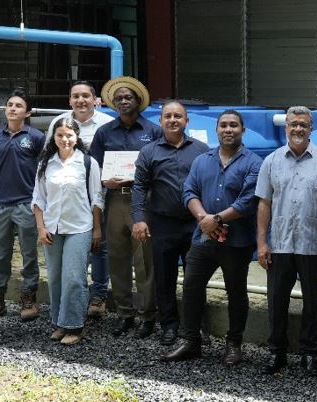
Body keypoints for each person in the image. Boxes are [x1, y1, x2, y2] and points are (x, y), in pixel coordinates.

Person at [161, 110, 263, 367]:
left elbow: (248, 200)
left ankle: (234, 344)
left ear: (242, 130)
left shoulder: (253, 162)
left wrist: (216, 220)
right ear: (217, 129)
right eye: (224, 125)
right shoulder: (201, 160)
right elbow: (189, 191)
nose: (228, 130)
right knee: (192, 287)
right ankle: (191, 340)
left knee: (236, 292)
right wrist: (204, 219)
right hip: (203, 237)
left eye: (234, 125)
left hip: (237, 241)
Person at [257, 106, 317, 376]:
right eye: (293, 124)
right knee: (276, 300)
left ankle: (309, 355)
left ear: (311, 128)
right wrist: (262, 242)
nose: (298, 129)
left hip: (314, 244)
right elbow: (264, 203)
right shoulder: (271, 161)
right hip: (280, 244)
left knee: (312, 302)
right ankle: (276, 352)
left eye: (303, 124)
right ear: (285, 127)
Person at [131, 101, 208, 346]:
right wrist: (139, 219)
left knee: (195, 278)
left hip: (194, 225)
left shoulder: (202, 150)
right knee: (164, 278)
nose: (172, 120)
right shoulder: (149, 152)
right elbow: (140, 187)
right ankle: (169, 326)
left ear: (187, 121)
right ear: (161, 121)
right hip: (162, 224)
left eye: (178, 116)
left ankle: (196, 327)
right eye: (167, 116)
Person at [88, 78, 160, 337]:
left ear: (138, 100)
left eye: (128, 97)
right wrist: (103, 181)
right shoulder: (105, 132)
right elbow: (93, 167)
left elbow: (160, 166)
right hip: (115, 199)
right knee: (117, 258)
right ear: (112, 103)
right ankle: (124, 313)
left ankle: (147, 315)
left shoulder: (153, 131)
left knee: (144, 260)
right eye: (118, 98)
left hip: (144, 200)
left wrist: (139, 179)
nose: (123, 101)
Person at [32, 118, 103, 345]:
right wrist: (41, 227)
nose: (65, 139)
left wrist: (97, 229)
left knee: (74, 277)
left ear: (77, 137)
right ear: (53, 137)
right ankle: (59, 323)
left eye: (69, 135)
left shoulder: (88, 163)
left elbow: (97, 199)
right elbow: (38, 198)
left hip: (80, 227)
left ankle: (75, 325)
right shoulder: (46, 164)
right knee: (55, 278)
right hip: (52, 227)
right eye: (60, 135)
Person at [0, 89, 45, 323]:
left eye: (18, 105)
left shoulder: (37, 137)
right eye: (10, 104)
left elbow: (42, 170)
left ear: (27, 113)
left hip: (26, 203)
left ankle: (29, 298)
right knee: (0, 255)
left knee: (29, 254)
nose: (13, 108)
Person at [49, 81, 114, 312]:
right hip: (69, 198)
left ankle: (98, 295)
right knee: (74, 249)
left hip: (102, 192)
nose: (81, 100)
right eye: (75, 96)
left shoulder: (107, 123)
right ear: (69, 100)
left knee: (100, 244)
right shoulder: (59, 123)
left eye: (86, 96)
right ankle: (78, 294)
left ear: (95, 99)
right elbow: (49, 157)